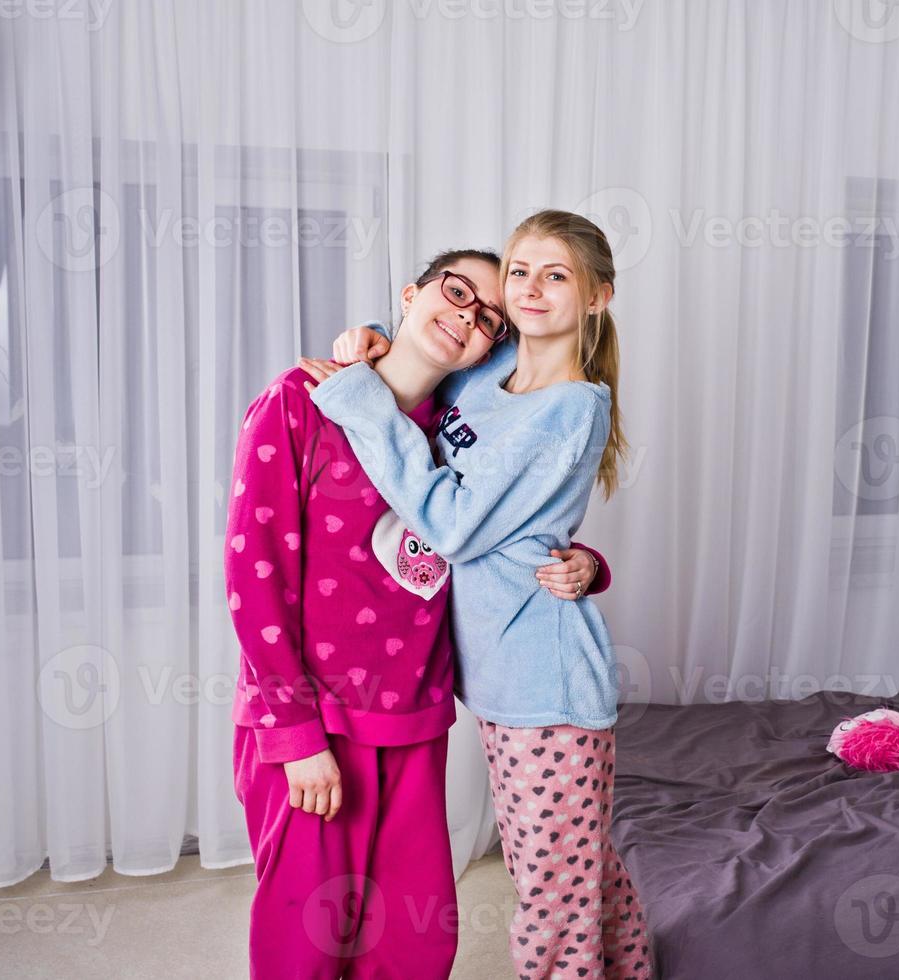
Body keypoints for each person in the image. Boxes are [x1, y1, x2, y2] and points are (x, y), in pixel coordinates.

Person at [225, 247, 608, 978]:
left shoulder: (460, 428)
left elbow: (502, 526)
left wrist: (584, 562)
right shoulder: (300, 402)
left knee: (410, 939)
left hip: (415, 711)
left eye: (488, 317)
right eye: (455, 292)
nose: (466, 315)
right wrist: (293, 732)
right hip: (311, 720)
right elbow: (254, 575)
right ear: (411, 294)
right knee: (304, 938)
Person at [299, 210, 652, 978]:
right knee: (578, 866)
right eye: (520, 271)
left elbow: (455, 526)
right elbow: (432, 358)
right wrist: (372, 337)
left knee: (550, 900)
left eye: (555, 274)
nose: (528, 288)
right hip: (499, 682)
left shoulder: (569, 408)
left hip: (544, 686)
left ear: (596, 297)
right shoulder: (495, 374)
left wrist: (360, 403)